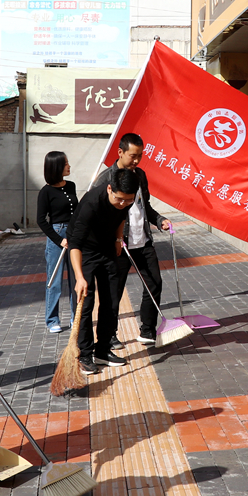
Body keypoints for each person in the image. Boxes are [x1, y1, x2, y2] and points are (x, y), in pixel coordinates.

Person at [91, 133, 171, 349]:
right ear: (120, 152)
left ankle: (148, 330)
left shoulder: (141, 175)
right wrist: (112, 238)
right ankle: (109, 335)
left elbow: (146, 207)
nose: (136, 160)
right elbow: (97, 214)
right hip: (118, 246)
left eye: (140, 156)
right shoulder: (106, 178)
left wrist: (160, 220)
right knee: (113, 292)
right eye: (133, 156)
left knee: (154, 283)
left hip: (143, 241)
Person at [69, 166, 138, 374]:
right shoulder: (91, 203)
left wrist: (118, 238)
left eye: (128, 200)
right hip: (85, 250)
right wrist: (79, 277)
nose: (123, 204)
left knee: (111, 301)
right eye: (119, 199)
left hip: (107, 248)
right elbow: (75, 245)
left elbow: (121, 216)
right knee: (86, 304)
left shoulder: (126, 200)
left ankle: (103, 350)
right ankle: (85, 354)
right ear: (109, 189)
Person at [37, 151, 78, 333]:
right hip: (57, 235)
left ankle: (76, 317)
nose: (69, 166)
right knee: (54, 280)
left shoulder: (71, 185)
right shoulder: (45, 192)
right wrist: (59, 240)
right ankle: (52, 320)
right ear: (56, 167)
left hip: (74, 234)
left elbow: (76, 212)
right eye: (66, 163)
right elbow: (41, 220)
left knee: (76, 279)